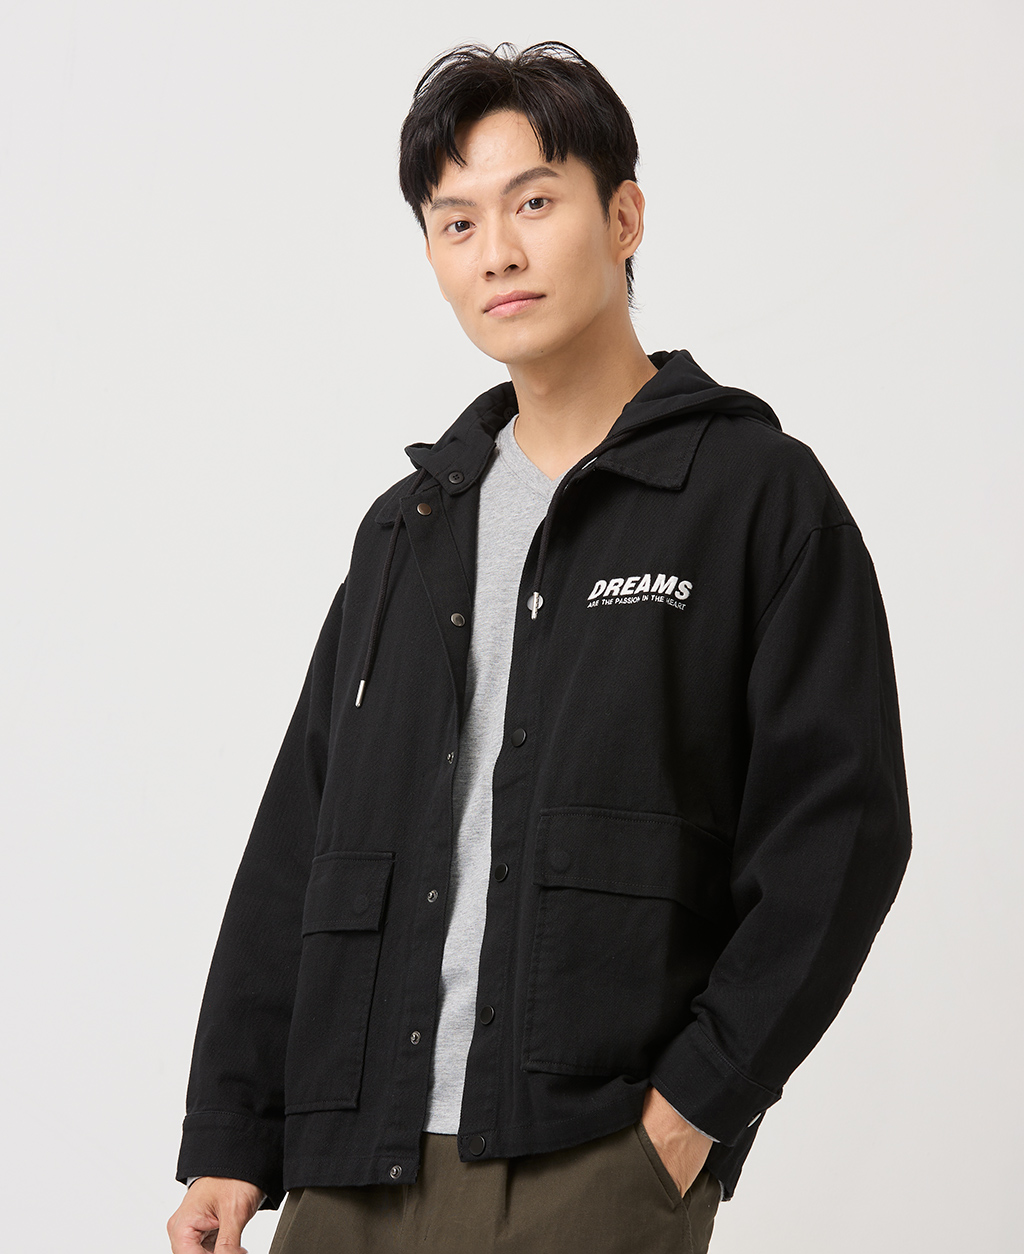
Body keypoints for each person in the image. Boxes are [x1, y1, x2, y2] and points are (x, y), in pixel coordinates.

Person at [167, 40, 912, 1254]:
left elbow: (843, 830)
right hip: (350, 1163)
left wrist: (692, 1112)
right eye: (455, 222)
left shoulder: (751, 496)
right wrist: (232, 1138)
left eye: (532, 203)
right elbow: (300, 838)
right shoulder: (406, 530)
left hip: (590, 1158)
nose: (496, 254)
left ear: (622, 218)